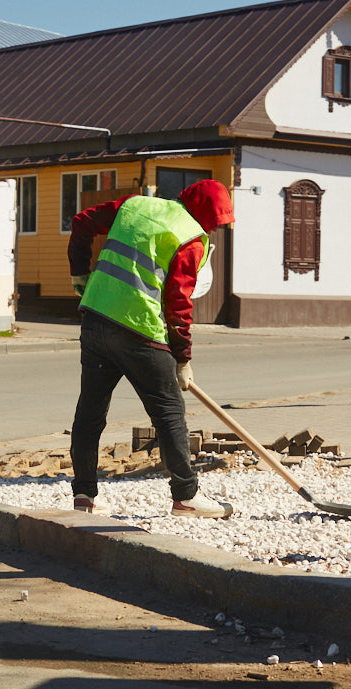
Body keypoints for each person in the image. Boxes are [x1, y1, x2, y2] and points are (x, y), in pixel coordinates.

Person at [67, 179, 235, 518]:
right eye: (215, 222)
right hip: (140, 332)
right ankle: (186, 496)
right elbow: (178, 305)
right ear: (205, 214)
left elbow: (82, 222)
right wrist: (183, 359)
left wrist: (79, 277)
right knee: (169, 413)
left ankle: (85, 496)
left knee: (90, 413)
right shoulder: (191, 238)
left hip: (96, 318)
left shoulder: (135, 206)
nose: (213, 229)